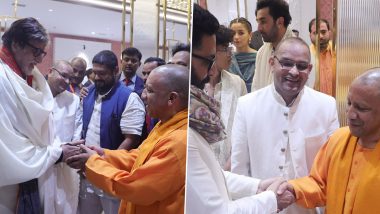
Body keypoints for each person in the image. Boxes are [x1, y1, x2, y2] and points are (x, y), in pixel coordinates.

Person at [186, 4, 294, 214]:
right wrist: (271, 198)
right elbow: (217, 210)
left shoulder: (236, 83)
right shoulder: (185, 115)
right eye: (210, 58)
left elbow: (213, 173)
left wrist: (257, 186)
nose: (210, 69)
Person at [231, 37, 339, 214]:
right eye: (287, 63)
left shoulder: (326, 105)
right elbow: (239, 168)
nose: (294, 72)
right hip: (263, 209)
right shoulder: (247, 105)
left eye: (302, 66)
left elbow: (332, 168)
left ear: (309, 69)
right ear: (272, 63)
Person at [67, 64, 189, 214]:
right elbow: (140, 157)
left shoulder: (179, 141)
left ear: (172, 98)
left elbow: (137, 187)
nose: (143, 95)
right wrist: (104, 155)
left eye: (150, 91)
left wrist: (92, 163)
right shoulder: (166, 124)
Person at [0, 17, 81, 213]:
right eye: (36, 51)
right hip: (9, 184)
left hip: (34, 174)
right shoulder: (2, 78)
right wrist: (57, 153)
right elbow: (8, 144)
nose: (39, 59)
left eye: (42, 53)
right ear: (16, 44)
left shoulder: (26, 75)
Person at [278, 68, 380, 213]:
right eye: (349, 103)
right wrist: (293, 189)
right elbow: (320, 185)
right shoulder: (339, 138)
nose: (350, 114)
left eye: (361, 108)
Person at [76, 50, 145, 214]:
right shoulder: (88, 92)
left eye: (102, 73)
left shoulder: (129, 98)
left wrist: (105, 164)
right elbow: (82, 127)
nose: (97, 77)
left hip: (112, 174)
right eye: (95, 73)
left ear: (115, 71)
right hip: (87, 172)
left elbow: (131, 138)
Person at [204, 25, 247, 170]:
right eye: (225, 49)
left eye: (230, 48)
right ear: (211, 51)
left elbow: (244, 126)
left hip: (232, 164)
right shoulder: (195, 85)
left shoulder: (237, 83)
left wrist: (230, 163)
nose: (230, 54)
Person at [47, 60, 82, 213]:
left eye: (70, 78)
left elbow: (77, 130)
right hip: (43, 163)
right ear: (51, 72)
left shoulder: (73, 100)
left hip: (67, 164)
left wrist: (70, 152)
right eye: (64, 76)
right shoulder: (35, 95)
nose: (67, 82)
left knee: (66, 205)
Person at [251, 0, 294, 92]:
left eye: (263, 22)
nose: (259, 28)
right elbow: (256, 90)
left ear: (280, 22)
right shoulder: (262, 52)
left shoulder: (297, 52)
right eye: (258, 22)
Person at [229, 17, 257, 92]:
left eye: (241, 33)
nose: (236, 37)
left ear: (250, 35)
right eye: (233, 33)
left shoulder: (259, 57)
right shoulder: (228, 58)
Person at [309, 18, 336, 96]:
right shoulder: (306, 57)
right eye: (315, 33)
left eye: (323, 32)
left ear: (329, 33)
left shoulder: (339, 53)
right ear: (310, 35)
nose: (320, 36)